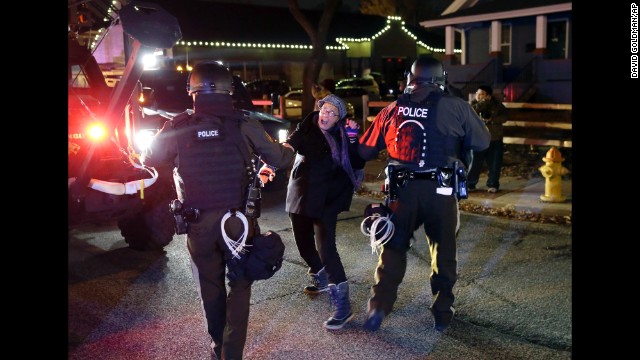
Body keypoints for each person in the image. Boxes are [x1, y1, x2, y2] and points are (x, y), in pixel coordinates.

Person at [141, 61, 295, 360]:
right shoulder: (244, 122)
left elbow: (150, 156)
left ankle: (217, 347)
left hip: (197, 223)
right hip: (238, 221)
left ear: (191, 90)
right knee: (240, 282)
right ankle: (231, 354)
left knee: (209, 287)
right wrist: (288, 146)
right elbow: (278, 158)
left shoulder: (177, 125)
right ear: (230, 88)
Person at [356, 56, 490, 332]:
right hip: (441, 190)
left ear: (411, 78)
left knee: (392, 248)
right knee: (443, 251)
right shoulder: (456, 106)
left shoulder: (393, 108)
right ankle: (442, 311)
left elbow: (365, 150)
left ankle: (378, 308)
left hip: (401, 191)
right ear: (441, 78)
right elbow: (482, 141)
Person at [281, 93, 365, 330]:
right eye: (323, 110)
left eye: (331, 112)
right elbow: (292, 142)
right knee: (302, 242)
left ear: (339, 118)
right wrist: (278, 154)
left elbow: (357, 162)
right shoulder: (308, 124)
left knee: (326, 247)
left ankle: (343, 306)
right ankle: (320, 274)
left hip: (329, 194)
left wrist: (352, 139)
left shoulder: (344, 134)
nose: (324, 115)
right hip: (301, 188)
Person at [467, 85, 508, 193]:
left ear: (488, 96)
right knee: (474, 163)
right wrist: (484, 103)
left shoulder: (497, 105)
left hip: (494, 138)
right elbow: (472, 112)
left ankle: (493, 184)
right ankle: (470, 184)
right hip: (478, 139)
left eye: (482, 94)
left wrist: (491, 118)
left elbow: (504, 117)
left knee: (494, 163)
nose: (478, 96)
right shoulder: (472, 104)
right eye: (477, 93)